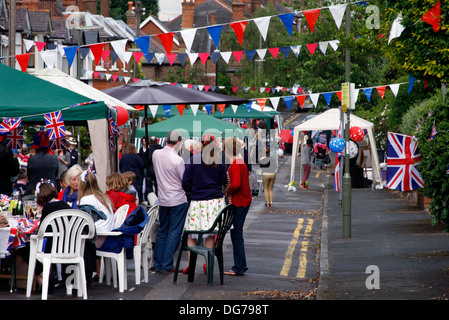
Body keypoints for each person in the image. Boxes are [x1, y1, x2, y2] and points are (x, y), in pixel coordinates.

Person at [181, 134, 227, 274]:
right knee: (210, 234)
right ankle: (208, 262)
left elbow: (185, 182)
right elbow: (223, 180)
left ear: (201, 143)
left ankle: (191, 264)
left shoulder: (193, 159)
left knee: (191, 234)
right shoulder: (218, 159)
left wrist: (193, 190)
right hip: (215, 202)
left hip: (198, 201)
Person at [152, 131, 189, 273]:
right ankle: (166, 264)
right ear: (178, 143)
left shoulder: (156, 154)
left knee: (163, 231)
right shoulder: (177, 159)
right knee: (174, 233)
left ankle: (158, 263)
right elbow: (184, 180)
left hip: (163, 198)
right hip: (177, 199)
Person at [223, 137, 252, 276]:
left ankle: (238, 267)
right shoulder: (240, 162)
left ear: (227, 149)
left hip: (239, 202)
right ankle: (241, 265)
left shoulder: (235, 164)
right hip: (244, 200)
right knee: (237, 233)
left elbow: (235, 183)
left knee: (236, 234)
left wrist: (227, 191)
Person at [78, 171, 115, 248]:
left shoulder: (86, 199)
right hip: (110, 236)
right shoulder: (103, 197)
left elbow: (84, 221)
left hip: (100, 238)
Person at [26, 131, 58, 196]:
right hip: (50, 191)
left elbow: (29, 175)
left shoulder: (32, 159)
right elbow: (56, 174)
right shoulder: (54, 158)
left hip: (34, 191)